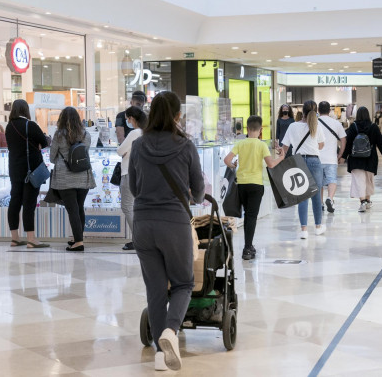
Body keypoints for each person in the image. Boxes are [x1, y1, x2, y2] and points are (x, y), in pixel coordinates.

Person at [128, 91, 205, 371]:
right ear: (177, 115)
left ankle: (160, 358)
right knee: (183, 283)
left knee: (156, 289)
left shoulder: (138, 145)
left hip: (143, 224)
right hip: (174, 223)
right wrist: (191, 195)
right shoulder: (185, 146)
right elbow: (198, 191)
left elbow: (134, 188)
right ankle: (171, 332)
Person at [224, 116, 283, 260]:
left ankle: (248, 246)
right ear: (260, 129)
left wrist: (234, 165)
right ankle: (247, 248)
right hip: (256, 184)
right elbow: (271, 164)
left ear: (247, 129)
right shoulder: (262, 145)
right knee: (252, 217)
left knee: (247, 215)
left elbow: (227, 160)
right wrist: (281, 157)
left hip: (242, 185)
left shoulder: (241, 143)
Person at [5, 99, 50, 248]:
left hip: (14, 169)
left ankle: (14, 238)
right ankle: (31, 239)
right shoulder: (29, 125)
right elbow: (44, 142)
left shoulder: (9, 126)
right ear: (26, 110)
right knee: (29, 203)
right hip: (31, 170)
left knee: (15, 201)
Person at [50, 107, 96, 252]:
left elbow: (52, 157)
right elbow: (85, 153)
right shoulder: (86, 134)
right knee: (79, 208)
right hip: (83, 175)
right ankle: (78, 238)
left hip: (65, 177)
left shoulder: (58, 135)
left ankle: (78, 242)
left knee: (72, 210)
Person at [280, 100, 326, 238]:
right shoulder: (317, 126)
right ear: (315, 111)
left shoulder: (293, 126)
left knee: (302, 196)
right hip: (314, 161)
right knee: (316, 195)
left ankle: (304, 230)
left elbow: (285, 147)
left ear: (302, 112)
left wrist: (280, 155)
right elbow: (321, 145)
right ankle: (318, 227)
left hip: (298, 161)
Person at [340, 107, 382, 212]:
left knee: (359, 181)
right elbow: (380, 143)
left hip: (355, 159)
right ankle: (367, 201)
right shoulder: (374, 127)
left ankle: (362, 202)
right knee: (369, 180)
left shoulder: (353, 127)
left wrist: (343, 157)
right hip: (370, 158)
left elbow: (348, 144)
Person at [116, 90, 146, 251]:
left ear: (132, 119)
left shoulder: (134, 133)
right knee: (136, 207)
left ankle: (137, 239)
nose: (127, 121)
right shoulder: (146, 132)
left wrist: (125, 150)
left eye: (128, 118)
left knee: (127, 206)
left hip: (129, 173)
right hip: (142, 173)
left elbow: (120, 151)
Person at [317, 101, 346, 214]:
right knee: (332, 180)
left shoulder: (314, 123)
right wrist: (340, 154)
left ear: (318, 110)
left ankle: (320, 203)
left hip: (317, 158)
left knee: (319, 182)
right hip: (331, 159)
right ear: (330, 111)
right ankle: (330, 198)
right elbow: (343, 140)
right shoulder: (336, 123)